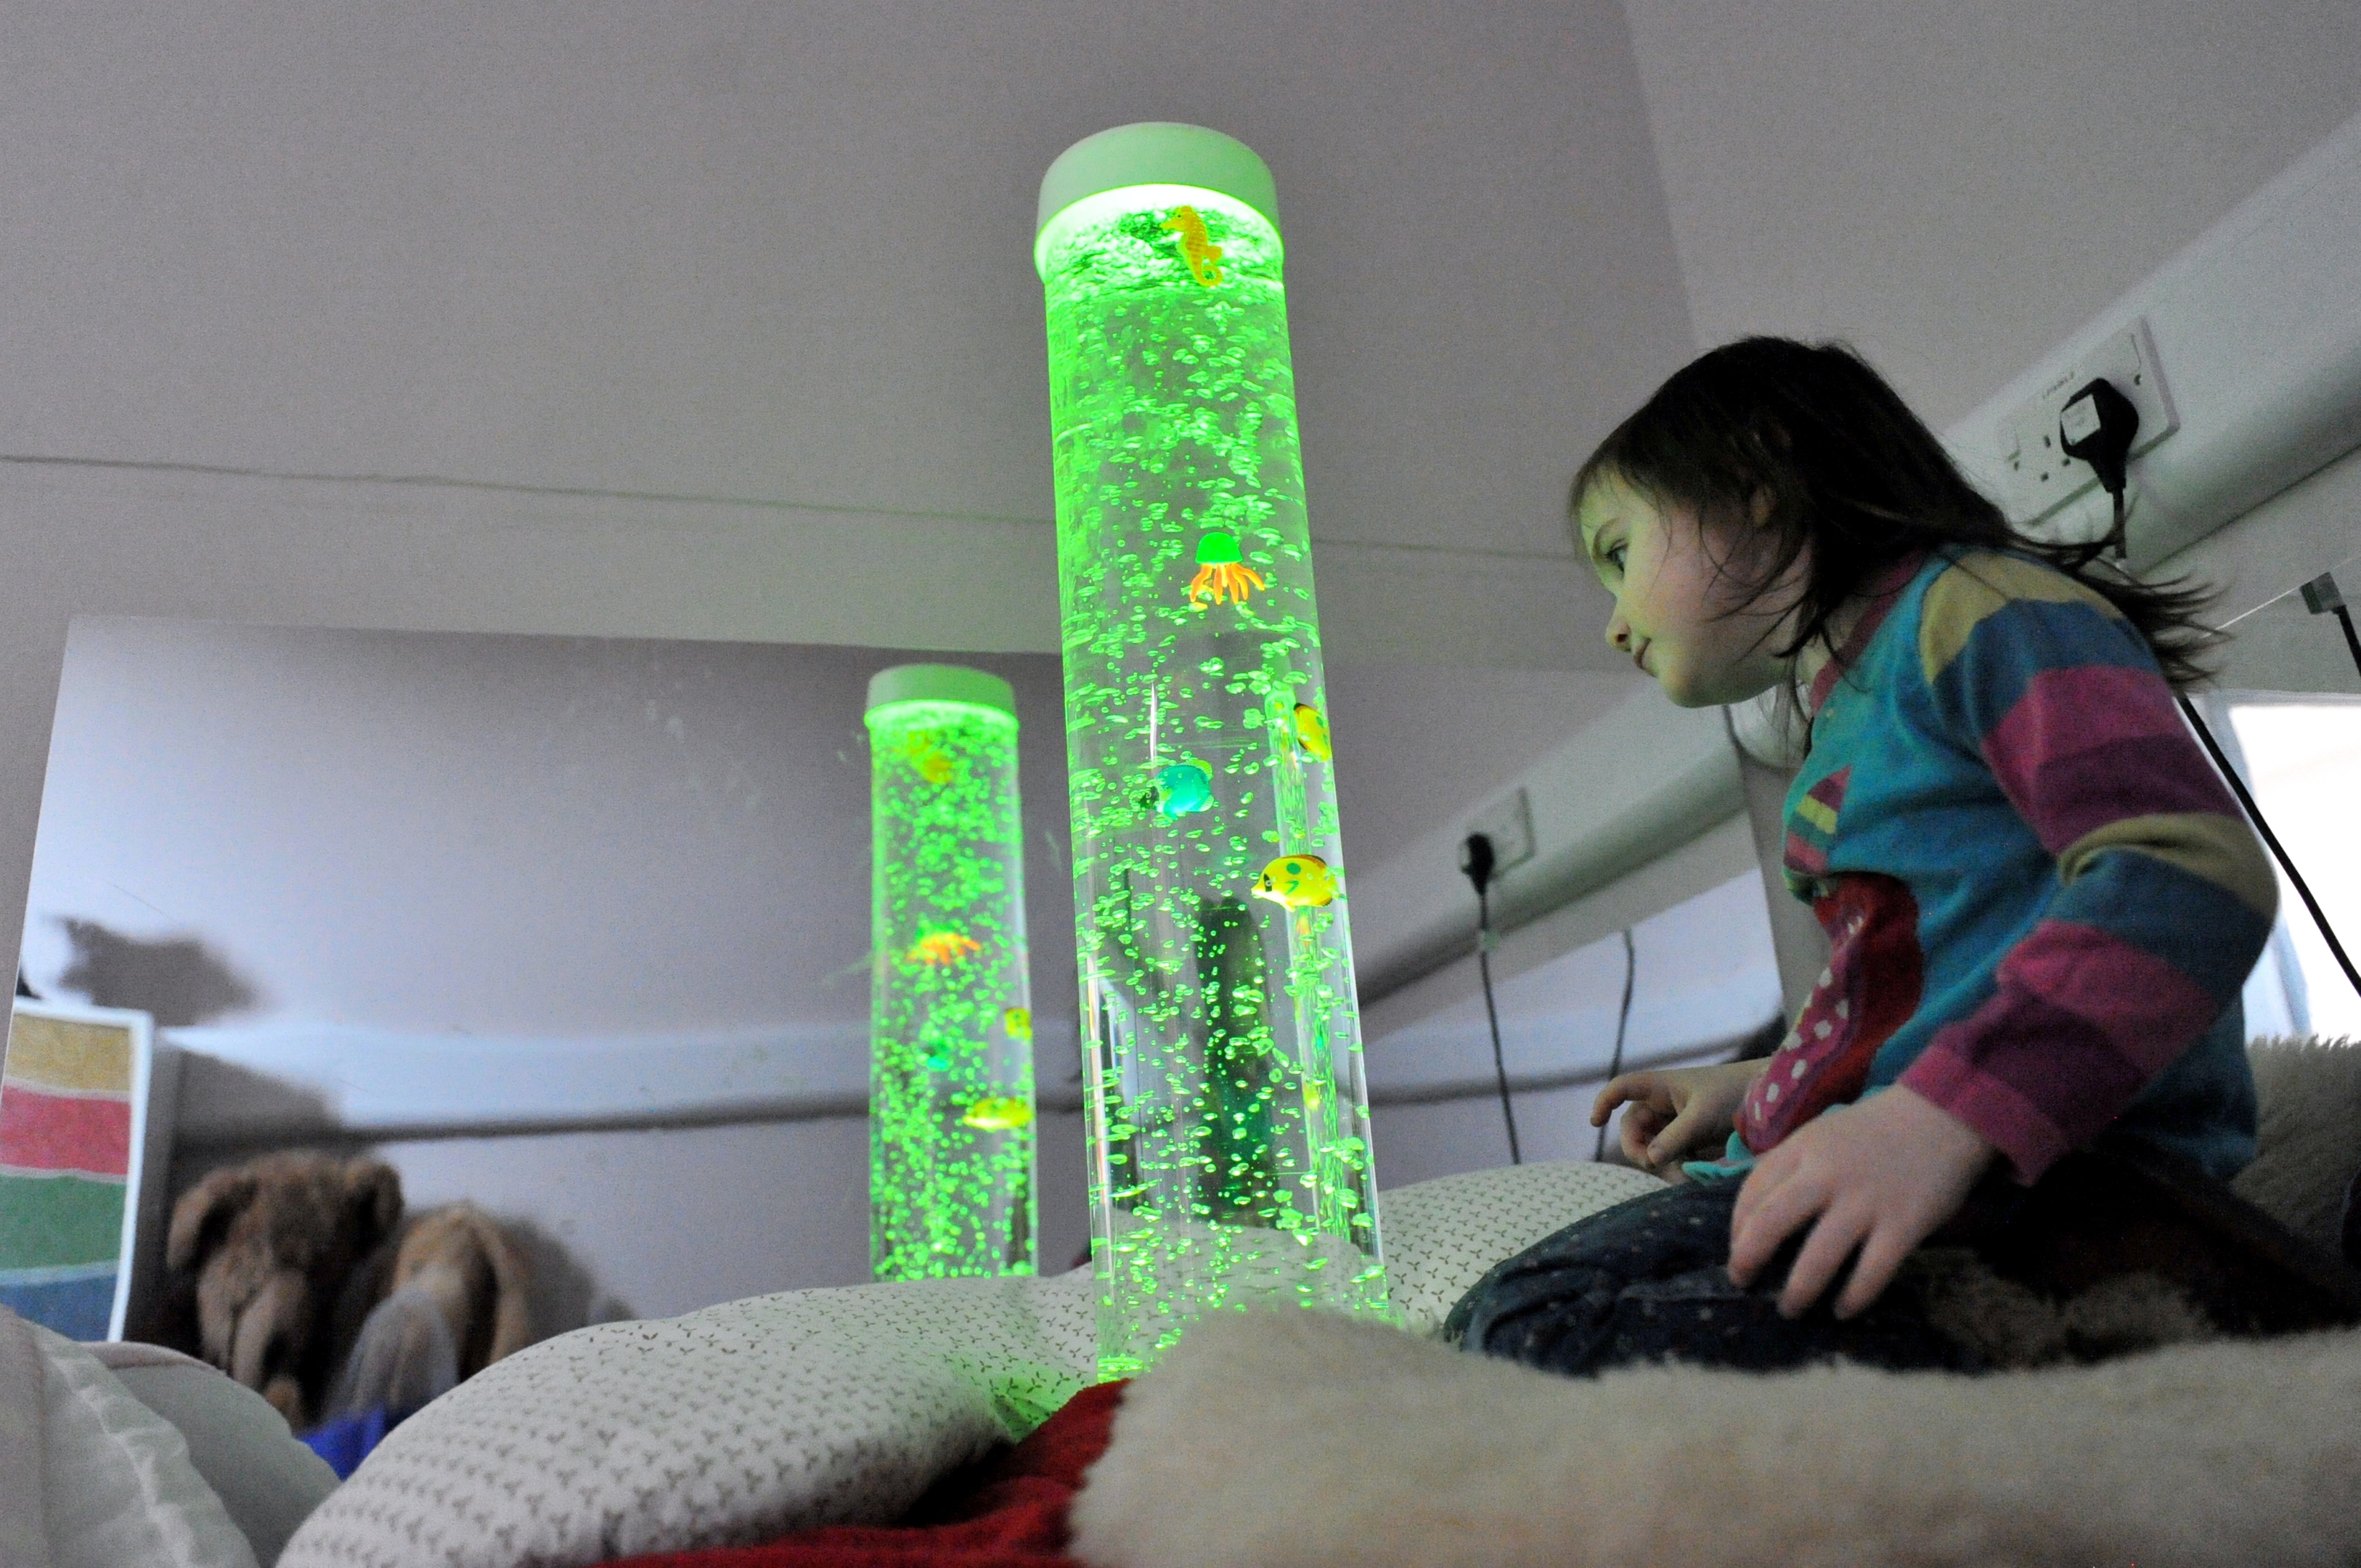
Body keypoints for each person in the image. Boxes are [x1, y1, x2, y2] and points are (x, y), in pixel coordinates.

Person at [1445, 336, 2281, 1375]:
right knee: (1494, 1327)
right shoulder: (1851, 702)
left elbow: (2187, 875)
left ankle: (2105, 1340)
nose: (1615, 625)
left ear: (1754, 484)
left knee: (1533, 1322)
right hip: (1975, 1181)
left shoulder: (1979, 608)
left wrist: (1935, 1125)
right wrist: (1759, 1087)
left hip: (2069, 1193)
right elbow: (1927, 993)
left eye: (1620, 553)